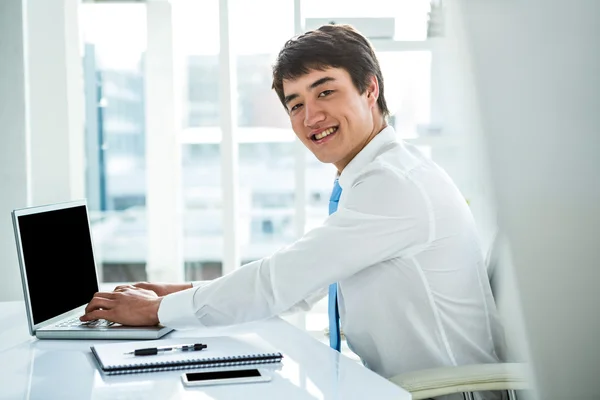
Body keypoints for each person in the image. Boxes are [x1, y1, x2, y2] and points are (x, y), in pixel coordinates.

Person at [82, 24, 505, 396]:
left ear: (369, 89)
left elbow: (280, 282)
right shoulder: (375, 174)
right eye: (295, 103)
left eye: (325, 91)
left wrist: (157, 311)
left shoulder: (393, 184)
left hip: (443, 394)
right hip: (393, 389)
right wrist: (173, 294)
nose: (311, 116)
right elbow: (303, 284)